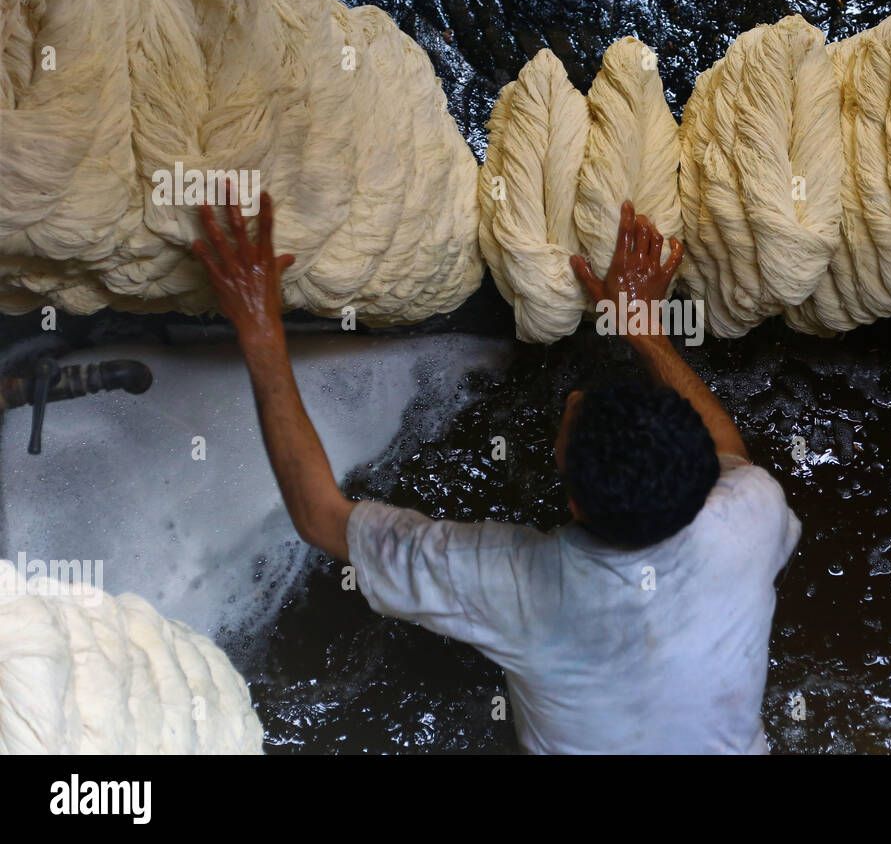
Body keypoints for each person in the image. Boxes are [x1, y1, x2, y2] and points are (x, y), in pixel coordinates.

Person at [193, 194, 801, 754]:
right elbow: (731, 453)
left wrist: (260, 331)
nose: (572, 400)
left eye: (573, 422)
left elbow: (319, 514)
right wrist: (644, 330)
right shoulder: (749, 513)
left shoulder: (513, 581)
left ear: (576, 504)